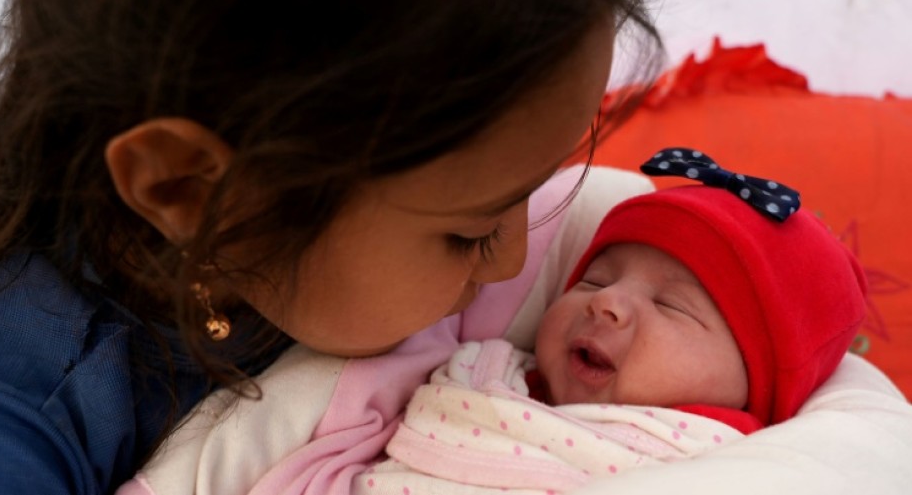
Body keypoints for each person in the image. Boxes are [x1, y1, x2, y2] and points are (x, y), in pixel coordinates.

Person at [0, 0, 911, 495]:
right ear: (196, 192)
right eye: (468, 234)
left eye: (534, 192)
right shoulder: (14, 418)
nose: (521, 254)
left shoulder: (330, 242)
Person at [353, 152, 867, 493]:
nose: (607, 304)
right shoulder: (492, 377)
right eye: (595, 280)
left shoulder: (732, 463)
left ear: (757, 382)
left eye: (672, 305)